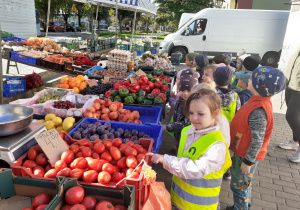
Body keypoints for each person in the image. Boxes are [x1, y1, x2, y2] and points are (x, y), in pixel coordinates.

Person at [148, 88, 232, 210]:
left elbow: (196, 169)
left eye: (200, 114)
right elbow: (184, 159)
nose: (194, 118)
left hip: (200, 206)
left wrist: (165, 159)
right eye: (191, 113)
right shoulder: (187, 131)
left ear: (215, 113)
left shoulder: (217, 145)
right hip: (179, 200)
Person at [226, 66, 286, 210]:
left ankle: (241, 207)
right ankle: (242, 204)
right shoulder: (257, 99)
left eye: (252, 79)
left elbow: (258, 139)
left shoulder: (259, 110)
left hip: (245, 156)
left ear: (261, 86)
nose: (248, 80)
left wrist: (248, 161)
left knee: (239, 186)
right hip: (242, 152)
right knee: (243, 184)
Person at [164, 69, 199, 154]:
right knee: (179, 147)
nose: (185, 93)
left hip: (189, 138)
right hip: (179, 134)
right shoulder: (180, 100)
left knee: (184, 154)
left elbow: (188, 124)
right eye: (182, 90)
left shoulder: (195, 105)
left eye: (189, 90)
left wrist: (168, 127)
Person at [278, 45, 300, 162]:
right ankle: (295, 142)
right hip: (291, 85)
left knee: (291, 116)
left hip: (299, 89)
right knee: (294, 115)